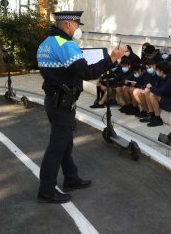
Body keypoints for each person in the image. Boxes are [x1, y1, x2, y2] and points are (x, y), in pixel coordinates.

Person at [36, 11, 126, 203]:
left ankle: (71, 178)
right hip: (61, 103)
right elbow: (87, 72)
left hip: (54, 100)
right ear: (68, 25)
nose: (79, 30)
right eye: (78, 25)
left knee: (65, 144)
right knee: (57, 147)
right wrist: (112, 58)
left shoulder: (46, 43)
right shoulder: (66, 45)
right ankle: (46, 189)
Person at [140, 61, 171, 127]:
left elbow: (160, 91)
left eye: (157, 69)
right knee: (147, 90)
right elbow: (156, 87)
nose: (156, 71)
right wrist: (150, 88)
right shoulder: (161, 78)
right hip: (166, 99)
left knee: (153, 95)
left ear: (162, 71)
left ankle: (157, 119)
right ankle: (151, 114)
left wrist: (151, 87)